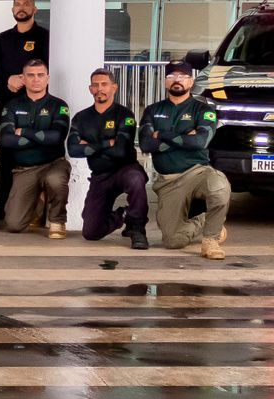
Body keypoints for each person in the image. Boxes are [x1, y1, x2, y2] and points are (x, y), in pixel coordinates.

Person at [140, 60, 232, 259]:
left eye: (182, 76)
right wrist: (184, 138)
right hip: (169, 181)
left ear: (191, 81)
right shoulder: (152, 110)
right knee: (173, 241)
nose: (177, 80)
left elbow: (200, 141)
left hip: (198, 172)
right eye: (171, 76)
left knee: (219, 187)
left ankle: (211, 239)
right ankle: (202, 220)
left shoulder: (203, 110)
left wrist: (162, 135)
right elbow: (146, 144)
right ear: (165, 81)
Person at [0, 0, 50, 223]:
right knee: (8, 155)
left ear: (35, 9)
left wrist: (28, 79)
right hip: (7, 105)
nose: (21, 8)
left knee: (37, 150)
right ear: (13, 9)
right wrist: (8, 78)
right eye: (17, 4)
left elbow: (52, 66)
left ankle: (38, 209)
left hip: (38, 106)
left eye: (26, 4)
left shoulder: (45, 37)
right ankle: (1, 205)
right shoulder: (4, 38)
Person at [68, 67, 149, 250]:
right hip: (100, 175)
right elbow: (73, 150)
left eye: (104, 84)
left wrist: (88, 146)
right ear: (90, 89)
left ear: (114, 87)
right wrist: (107, 143)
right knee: (91, 232)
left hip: (125, 169)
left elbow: (120, 151)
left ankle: (137, 228)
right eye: (95, 85)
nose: (100, 89)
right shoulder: (81, 118)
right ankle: (124, 214)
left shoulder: (125, 115)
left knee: (136, 179)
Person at [0, 58, 71, 238]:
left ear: (48, 78)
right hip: (25, 169)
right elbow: (6, 140)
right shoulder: (12, 106)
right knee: (14, 225)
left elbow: (57, 138)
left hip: (53, 163)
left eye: (40, 75)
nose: (36, 79)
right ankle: (38, 203)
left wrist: (23, 131)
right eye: (30, 75)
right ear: (23, 78)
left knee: (55, 180)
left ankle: (57, 220)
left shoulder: (59, 105)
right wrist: (41, 138)